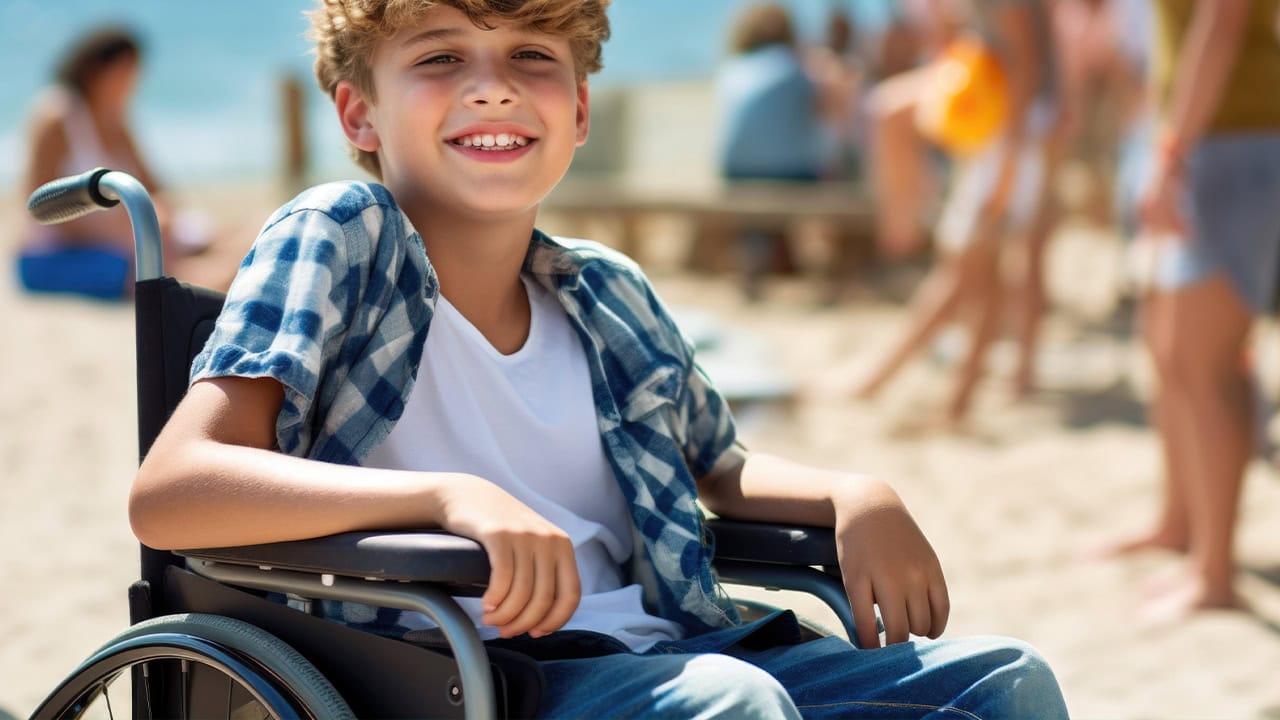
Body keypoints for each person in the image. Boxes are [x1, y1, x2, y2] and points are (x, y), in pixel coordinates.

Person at [127, 1, 1069, 716]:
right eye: (441, 57)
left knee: (1002, 683)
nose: (491, 86)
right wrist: (448, 498)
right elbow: (174, 490)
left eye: (531, 58)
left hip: (673, 645)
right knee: (735, 706)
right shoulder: (342, 234)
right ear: (359, 115)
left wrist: (856, 496)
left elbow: (721, 468)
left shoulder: (604, 291)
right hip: (465, 674)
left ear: (578, 112)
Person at [1106, 0, 1280, 616]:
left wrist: (1173, 151)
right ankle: (1183, 528)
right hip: (1215, 141)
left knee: (1206, 364)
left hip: (1233, 143)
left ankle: (1215, 573)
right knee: (1175, 354)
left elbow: (1225, 18)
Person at [852, 0, 1062, 425]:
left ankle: (955, 401)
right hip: (1003, 128)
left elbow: (1025, 62)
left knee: (977, 267)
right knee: (976, 267)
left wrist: (1010, 160)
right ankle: (954, 400)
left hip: (1009, 133)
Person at [16, 27, 239, 299]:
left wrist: (164, 219)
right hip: (54, 254)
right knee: (149, 272)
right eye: (124, 73)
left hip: (119, 240)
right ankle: (219, 281)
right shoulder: (57, 114)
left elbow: (155, 187)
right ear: (96, 70)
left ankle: (224, 274)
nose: (131, 83)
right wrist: (121, 232)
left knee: (207, 237)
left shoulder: (116, 120)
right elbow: (40, 207)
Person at [715, 3, 833, 300]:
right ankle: (827, 267)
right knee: (823, 170)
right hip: (787, 173)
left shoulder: (734, 68)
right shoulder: (797, 66)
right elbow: (825, 113)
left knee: (760, 201)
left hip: (735, 170)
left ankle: (760, 260)